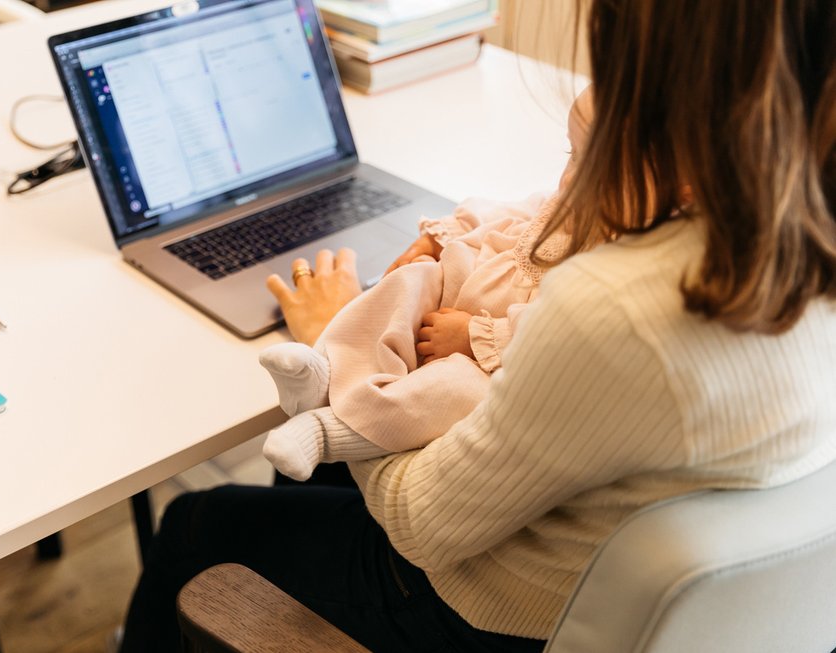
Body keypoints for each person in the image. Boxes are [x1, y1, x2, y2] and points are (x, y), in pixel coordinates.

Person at [119, 1, 836, 651]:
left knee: (199, 526)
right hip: (638, 568)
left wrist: (339, 336)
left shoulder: (616, 309)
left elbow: (418, 524)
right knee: (315, 475)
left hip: (485, 611)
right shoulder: (791, 228)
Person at [257, 90, 592, 481]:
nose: (571, 178)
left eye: (594, 162)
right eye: (572, 155)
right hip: (459, 290)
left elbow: (560, 335)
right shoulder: (570, 201)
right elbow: (510, 210)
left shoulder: (612, 268)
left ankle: (324, 432)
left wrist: (476, 336)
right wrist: (441, 236)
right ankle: (328, 371)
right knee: (410, 279)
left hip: (482, 361)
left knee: (455, 391)